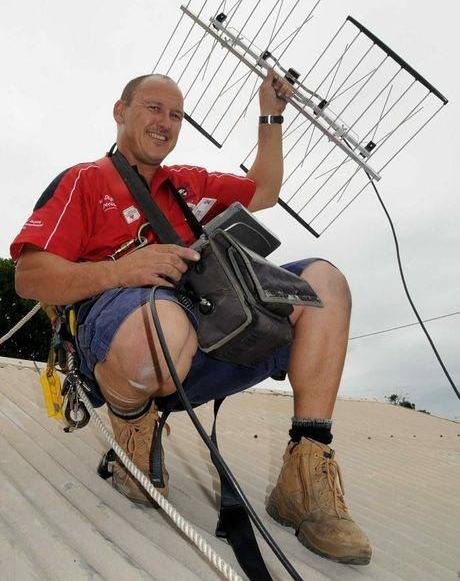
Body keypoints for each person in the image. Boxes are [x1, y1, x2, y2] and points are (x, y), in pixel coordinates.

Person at [11, 71, 372, 565]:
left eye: (176, 115)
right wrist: (121, 271)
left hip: (206, 333)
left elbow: (264, 189)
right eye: (154, 108)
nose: (166, 122)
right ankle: (135, 431)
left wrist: (271, 114)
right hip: (123, 344)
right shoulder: (84, 181)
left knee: (324, 285)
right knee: (160, 323)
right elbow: (30, 276)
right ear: (121, 112)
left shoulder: (187, 184)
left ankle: (307, 468)